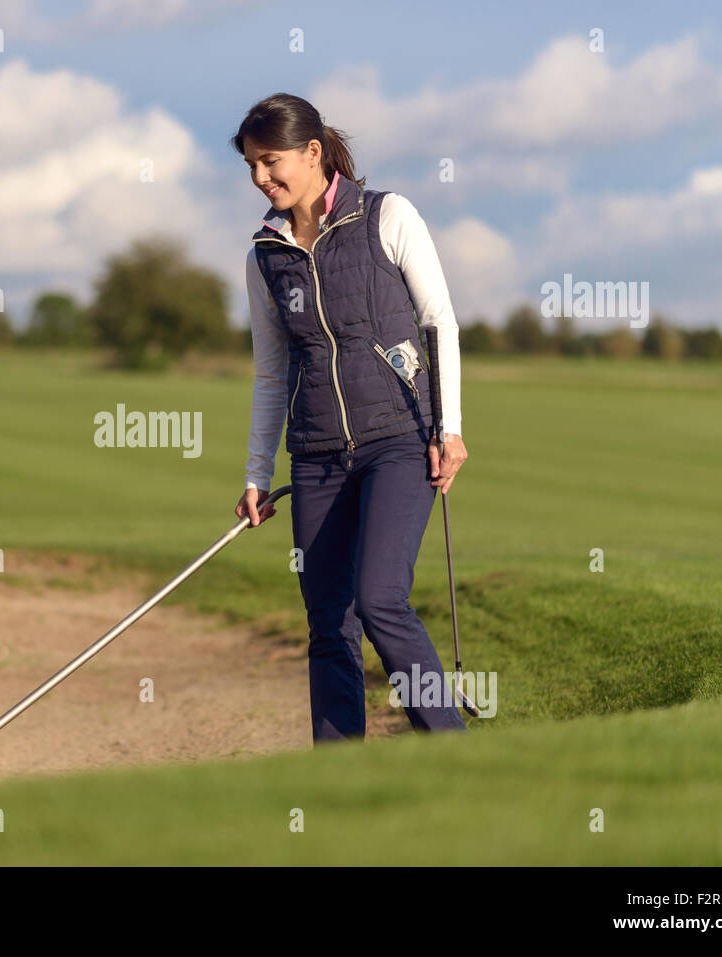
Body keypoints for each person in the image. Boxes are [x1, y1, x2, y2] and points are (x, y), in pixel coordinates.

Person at [231, 93, 470, 741]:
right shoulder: (265, 254)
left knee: (381, 599)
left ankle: (451, 744)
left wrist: (448, 428)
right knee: (329, 623)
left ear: (313, 153)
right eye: (252, 166)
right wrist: (257, 472)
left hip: (400, 442)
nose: (261, 178)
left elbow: (438, 321)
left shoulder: (387, 215)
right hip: (315, 457)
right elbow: (272, 371)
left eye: (270, 161)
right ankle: (339, 780)